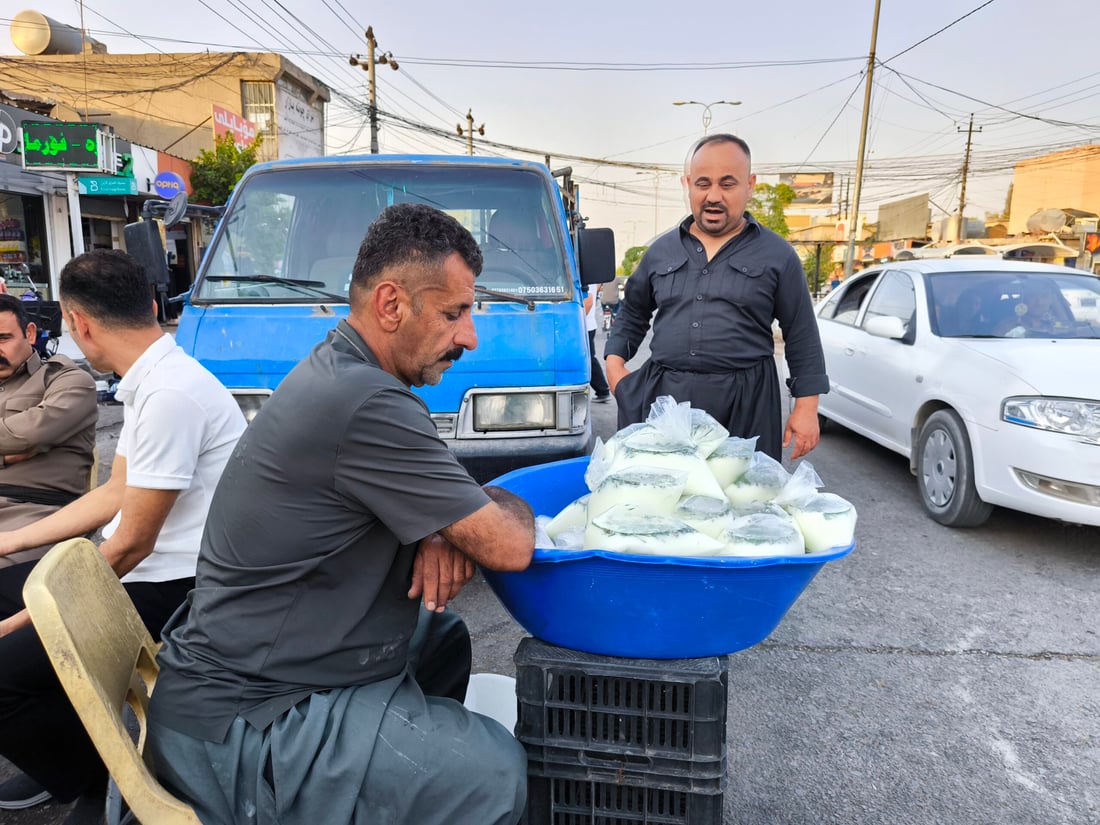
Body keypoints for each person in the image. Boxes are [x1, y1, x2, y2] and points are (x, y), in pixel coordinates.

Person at [148, 203, 535, 825]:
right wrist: (470, 517)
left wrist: (445, 524)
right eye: (455, 313)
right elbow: (510, 546)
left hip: (243, 676)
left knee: (442, 638)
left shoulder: (343, 368)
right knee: (493, 775)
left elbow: (458, 512)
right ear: (391, 304)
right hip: (247, 721)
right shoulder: (366, 402)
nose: (470, 337)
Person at [0, 249, 246, 825]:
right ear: (154, 305)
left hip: (177, 591)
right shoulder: (154, 377)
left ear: (77, 322)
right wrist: (9, 546)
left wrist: (26, 617)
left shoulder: (170, 394)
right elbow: (114, 494)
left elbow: (131, 545)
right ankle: (66, 752)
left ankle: (96, 780)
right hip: (145, 571)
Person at [604, 134, 829, 460]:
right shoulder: (661, 251)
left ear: (749, 185)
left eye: (727, 184)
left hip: (746, 403)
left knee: (742, 501)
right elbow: (633, 312)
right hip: (667, 401)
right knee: (663, 499)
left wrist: (807, 407)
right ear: (688, 184)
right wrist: (614, 367)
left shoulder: (778, 256)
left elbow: (801, 333)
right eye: (703, 184)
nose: (713, 196)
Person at [0, 294, 97, 567]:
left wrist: (23, 442)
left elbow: (33, 433)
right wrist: (6, 454)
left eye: (2, 338)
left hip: (35, 513)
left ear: (29, 333)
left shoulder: (67, 380)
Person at [584, 284, 611, 402]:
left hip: (585, 325)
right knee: (589, 359)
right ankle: (602, 390)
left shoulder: (586, 276)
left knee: (589, 359)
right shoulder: (593, 279)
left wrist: (576, 321)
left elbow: (588, 301)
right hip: (588, 324)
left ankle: (603, 390)